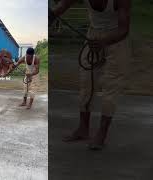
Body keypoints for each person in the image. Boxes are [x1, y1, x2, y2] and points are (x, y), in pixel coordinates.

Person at [51, 0, 131, 150]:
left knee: (111, 86)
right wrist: (51, 15)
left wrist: (105, 41)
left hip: (117, 39)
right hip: (93, 35)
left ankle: (102, 133)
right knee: (86, 83)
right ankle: (83, 128)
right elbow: (62, 5)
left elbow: (124, 29)